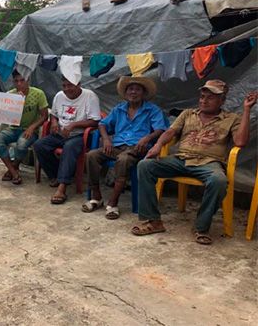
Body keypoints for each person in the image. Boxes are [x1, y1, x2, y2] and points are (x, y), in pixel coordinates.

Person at [131, 80, 257, 245]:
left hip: (209, 163)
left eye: (210, 98)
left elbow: (240, 142)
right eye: (202, 96)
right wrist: (158, 145)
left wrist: (247, 110)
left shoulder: (232, 118)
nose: (203, 100)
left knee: (219, 181)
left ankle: (201, 227)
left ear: (222, 100)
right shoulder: (187, 114)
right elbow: (171, 132)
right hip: (181, 159)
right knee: (145, 165)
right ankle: (153, 221)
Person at [83, 76, 168, 219]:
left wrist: (147, 138)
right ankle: (97, 197)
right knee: (91, 155)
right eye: (130, 89)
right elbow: (102, 124)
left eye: (137, 89)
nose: (133, 92)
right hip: (117, 146)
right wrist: (106, 139)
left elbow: (161, 129)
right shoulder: (119, 109)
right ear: (126, 92)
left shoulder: (152, 110)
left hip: (138, 148)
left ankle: (113, 202)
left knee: (123, 160)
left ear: (143, 93)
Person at [33, 67, 101, 204]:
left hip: (80, 136)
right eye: (64, 85)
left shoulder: (89, 96)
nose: (67, 89)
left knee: (69, 147)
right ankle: (56, 176)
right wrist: (53, 122)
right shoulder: (59, 95)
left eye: (70, 85)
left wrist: (73, 125)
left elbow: (95, 121)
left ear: (79, 84)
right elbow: (54, 114)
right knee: (39, 145)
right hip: (60, 134)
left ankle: (62, 188)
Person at [0, 70, 48, 185]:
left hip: (30, 130)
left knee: (22, 144)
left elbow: (44, 116)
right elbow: (4, 116)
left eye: (22, 80)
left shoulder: (38, 94)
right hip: (14, 128)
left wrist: (32, 127)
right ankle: (14, 171)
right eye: (16, 81)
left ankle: (13, 167)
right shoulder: (10, 94)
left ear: (28, 80)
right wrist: (17, 103)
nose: (19, 84)